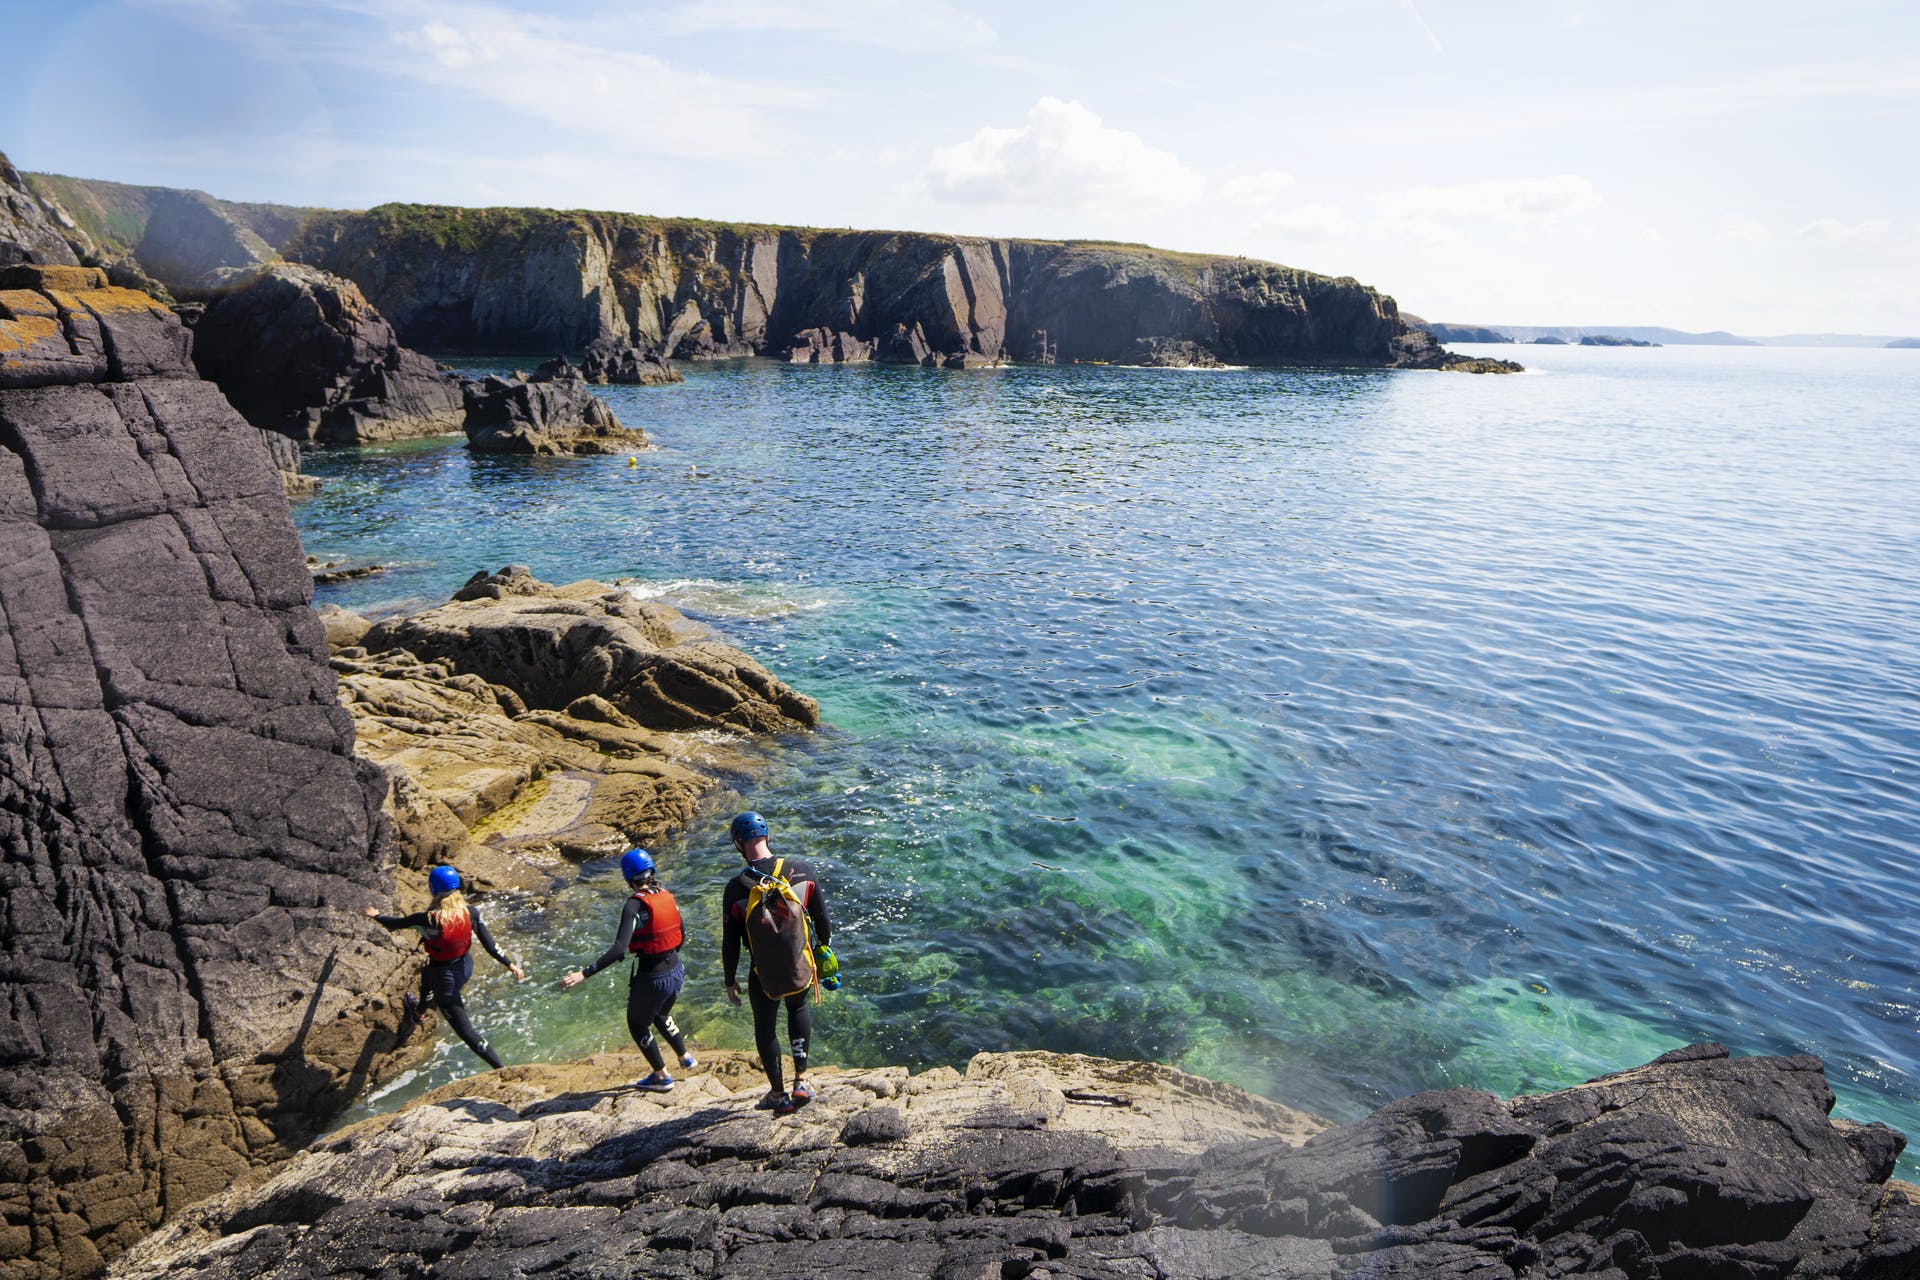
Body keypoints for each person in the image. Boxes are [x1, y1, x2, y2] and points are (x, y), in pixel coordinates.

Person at [560, 848, 698, 1092]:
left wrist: (584, 974)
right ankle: (685, 1056)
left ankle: (661, 1076)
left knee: (637, 1024)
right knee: (661, 1014)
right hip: (677, 970)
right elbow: (682, 936)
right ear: (651, 871)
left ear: (628, 877)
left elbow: (619, 949)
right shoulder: (667, 895)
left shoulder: (634, 905)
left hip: (653, 977)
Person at [722, 811, 833, 1115]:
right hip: (799, 964)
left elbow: (730, 942)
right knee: (797, 1008)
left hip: (763, 973)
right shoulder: (802, 871)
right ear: (767, 837)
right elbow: (824, 926)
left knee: (765, 1028)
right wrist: (823, 952)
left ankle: (777, 1094)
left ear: (738, 844)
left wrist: (730, 980)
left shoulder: (736, 888)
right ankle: (802, 1080)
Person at [366, 865, 524, 1069]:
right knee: (427, 974)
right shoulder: (471, 913)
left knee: (466, 1032)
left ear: (433, 889)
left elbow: (395, 924)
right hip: (464, 967)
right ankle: (420, 1011)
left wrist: (377, 915)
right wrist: (510, 964)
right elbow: (491, 946)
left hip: (446, 983)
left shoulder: (427, 919)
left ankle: (500, 1068)